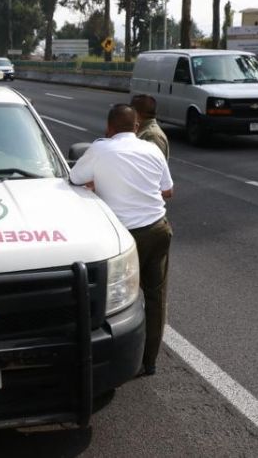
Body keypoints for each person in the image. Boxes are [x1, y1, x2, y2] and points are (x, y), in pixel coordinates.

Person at [69, 104, 173, 376]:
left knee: (111, 299)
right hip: (158, 230)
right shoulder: (152, 148)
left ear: (109, 127)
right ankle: (149, 362)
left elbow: (74, 178)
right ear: (136, 126)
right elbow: (168, 190)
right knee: (155, 297)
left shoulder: (101, 149)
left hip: (123, 238)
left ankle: (109, 364)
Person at [130, 94, 169, 160]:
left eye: (131, 111)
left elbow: (154, 165)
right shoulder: (141, 130)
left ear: (137, 113)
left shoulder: (153, 135)